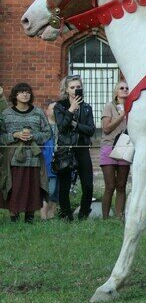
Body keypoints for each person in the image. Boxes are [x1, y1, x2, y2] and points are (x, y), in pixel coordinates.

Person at [0, 83, 52, 223]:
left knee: (32, 188)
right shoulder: (6, 114)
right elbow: (1, 136)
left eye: (28, 92)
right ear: (15, 95)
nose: (25, 94)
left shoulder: (38, 112)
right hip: (13, 158)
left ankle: (29, 218)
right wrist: (15, 135)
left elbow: (47, 133)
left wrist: (34, 136)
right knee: (15, 187)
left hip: (33, 157)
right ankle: (14, 218)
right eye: (21, 92)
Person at [54, 75, 95, 221]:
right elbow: (62, 127)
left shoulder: (87, 107)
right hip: (66, 148)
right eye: (72, 87)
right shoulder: (60, 106)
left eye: (78, 87)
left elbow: (91, 130)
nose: (75, 90)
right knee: (64, 184)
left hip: (82, 147)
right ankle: (66, 215)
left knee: (88, 185)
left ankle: (83, 214)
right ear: (66, 89)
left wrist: (76, 125)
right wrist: (70, 110)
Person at [99, 80, 130, 220]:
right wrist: (122, 115)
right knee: (110, 185)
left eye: (127, 88)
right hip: (109, 146)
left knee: (122, 185)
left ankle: (119, 216)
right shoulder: (109, 106)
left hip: (126, 147)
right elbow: (106, 129)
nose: (124, 90)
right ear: (116, 91)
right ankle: (105, 217)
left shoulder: (132, 108)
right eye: (121, 88)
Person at [40, 102, 58, 220]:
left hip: (60, 162)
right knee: (49, 190)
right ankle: (43, 216)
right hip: (47, 162)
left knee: (57, 191)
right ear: (47, 111)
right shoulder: (42, 127)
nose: (54, 111)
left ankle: (51, 215)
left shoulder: (61, 126)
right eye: (52, 108)